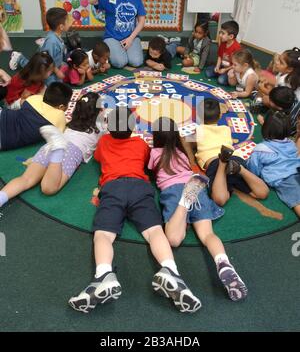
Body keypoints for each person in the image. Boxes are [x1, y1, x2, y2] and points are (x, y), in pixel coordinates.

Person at [68, 107, 201, 314]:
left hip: (113, 187)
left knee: (103, 234)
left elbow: (98, 158)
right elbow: (147, 160)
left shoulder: (103, 142)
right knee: (155, 231)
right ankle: (171, 271)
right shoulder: (140, 144)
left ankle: (103, 275)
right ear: (133, 128)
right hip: (140, 187)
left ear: (108, 128)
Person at [148, 117, 248, 302]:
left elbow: (152, 172)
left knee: (173, 239)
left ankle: (183, 204)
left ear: (156, 136)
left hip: (173, 190)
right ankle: (223, 262)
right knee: (208, 235)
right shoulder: (182, 153)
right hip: (195, 185)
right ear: (176, 136)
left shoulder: (154, 153)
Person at [0, 92, 106, 208]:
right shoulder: (100, 126)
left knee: (25, 179)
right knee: (48, 188)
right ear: (99, 111)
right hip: (72, 150)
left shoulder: (72, 121)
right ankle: (57, 153)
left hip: (51, 144)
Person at [183, 98, 269, 206]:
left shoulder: (199, 130)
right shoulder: (226, 129)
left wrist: (192, 161)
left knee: (220, 199)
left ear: (199, 117)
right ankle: (240, 169)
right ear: (220, 116)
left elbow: (184, 141)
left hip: (215, 162)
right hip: (235, 159)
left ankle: (223, 163)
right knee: (262, 193)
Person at [89, 0, 146, 69]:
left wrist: (130, 39)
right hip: (112, 37)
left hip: (130, 36)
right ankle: (119, 51)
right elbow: (91, 0)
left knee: (137, 62)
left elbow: (141, 21)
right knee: (120, 63)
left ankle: (123, 50)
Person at [247, 111, 300, 218]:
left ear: (265, 129)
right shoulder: (290, 142)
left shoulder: (260, 149)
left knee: (297, 202)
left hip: (285, 180)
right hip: (296, 170)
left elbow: (253, 170)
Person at [0, 82, 72, 151]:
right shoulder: (60, 116)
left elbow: (22, 102)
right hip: (4, 139)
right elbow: (61, 135)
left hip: (3, 115)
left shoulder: (34, 98)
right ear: (61, 106)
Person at [9, 7, 72, 84]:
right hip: (46, 67)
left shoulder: (57, 36)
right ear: (61, 27)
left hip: (53, 67)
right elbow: (48, 60)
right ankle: (19, 58)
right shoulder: (52, 42)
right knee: (34, 70)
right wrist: (57, 71)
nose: (70, 23)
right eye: (68, 21)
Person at [206, 20, 241, 85]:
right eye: (220, 32)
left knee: (221, 80)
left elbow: (236, 65)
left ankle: (223, 76)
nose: (220, 35)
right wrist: (217, 66)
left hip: (231, 69)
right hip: (222, 66)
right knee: (208, 72)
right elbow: (220, 56)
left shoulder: (237, 47)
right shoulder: (223, 43)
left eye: (223, 33)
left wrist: (225, 70)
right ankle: (220, 74)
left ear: (231, 36)